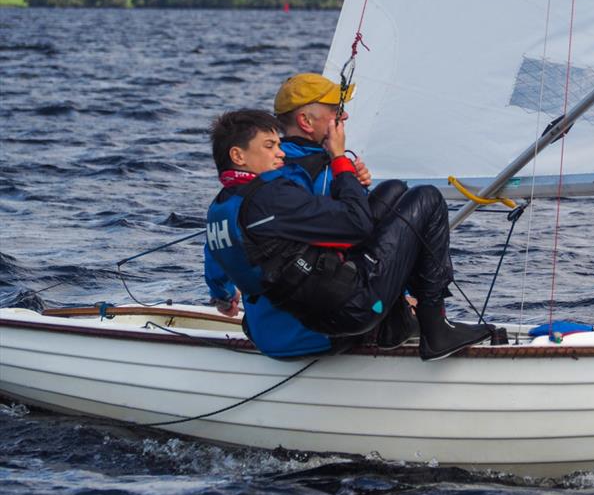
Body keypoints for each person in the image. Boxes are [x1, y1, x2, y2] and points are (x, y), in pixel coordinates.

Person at [205, 108, 494, 360]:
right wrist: (340, 159)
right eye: (269, 146)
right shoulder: (270, 197)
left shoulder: (222, 206)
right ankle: (437, 330)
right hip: (345, 313)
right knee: (427, 198)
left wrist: (223, 297)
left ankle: (397, 320)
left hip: (309, 312)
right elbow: (357, 225)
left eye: (278, 144)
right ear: (238, 155)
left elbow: (217, 266)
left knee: (389, 193)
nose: (279, 152)